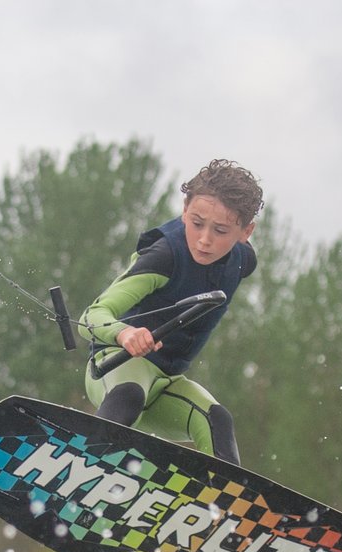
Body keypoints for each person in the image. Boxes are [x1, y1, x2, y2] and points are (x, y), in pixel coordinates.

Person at [80, 159, 262, 464]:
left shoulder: (243, 261)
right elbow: (91, 316)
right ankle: (84, 469)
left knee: (218, 421)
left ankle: (224, 495)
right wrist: (125, 334)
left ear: (246, 231)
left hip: (167, 382)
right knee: (129, 396)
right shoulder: (164, 257)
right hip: (116, 367)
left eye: (220, 230)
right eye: (196, 223)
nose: (204, 240)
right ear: (185, 209)